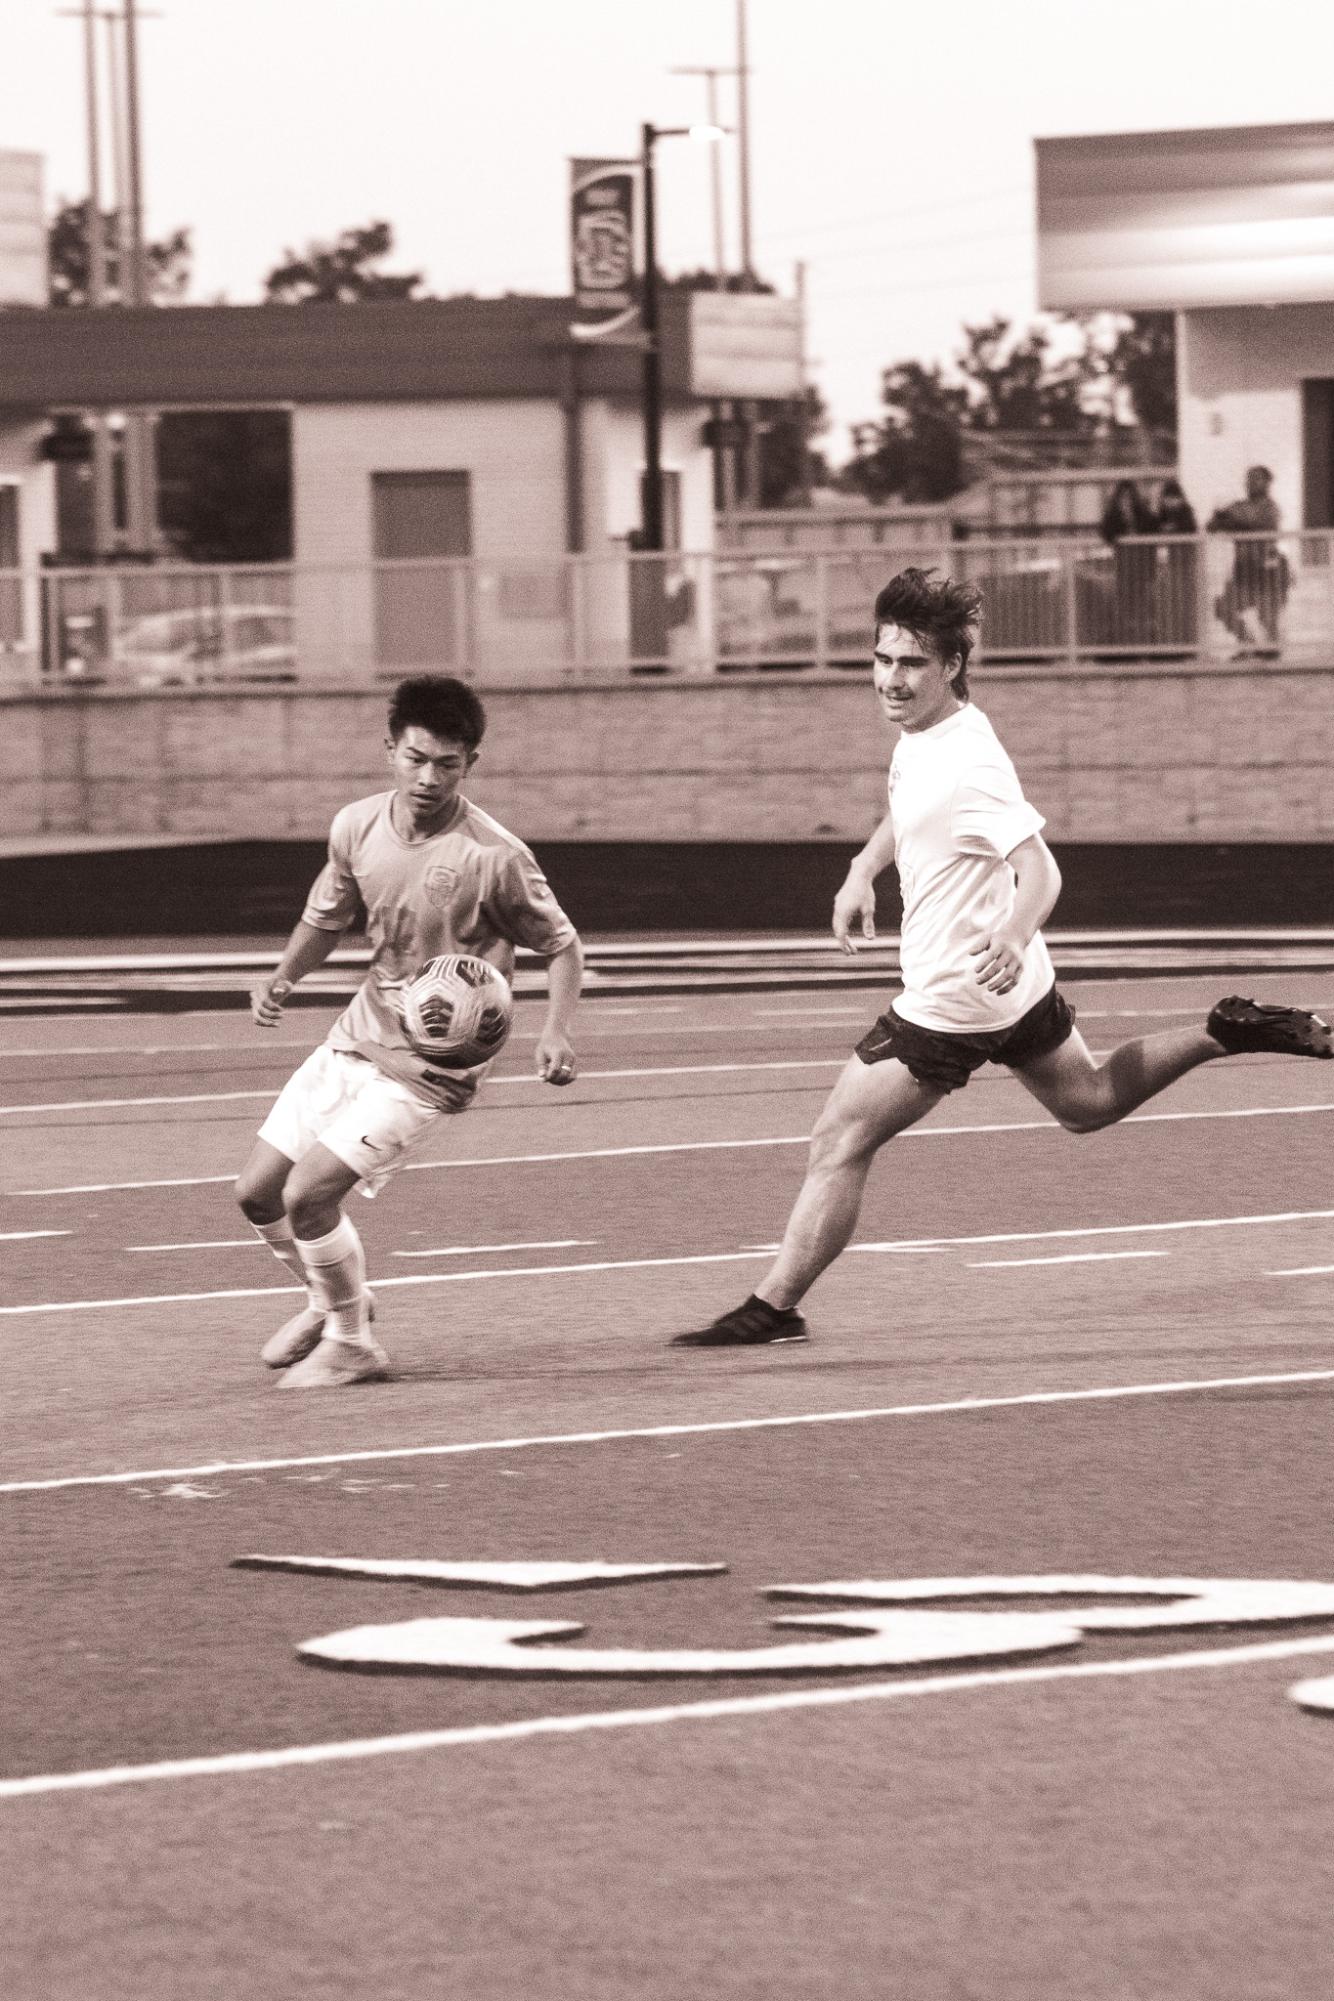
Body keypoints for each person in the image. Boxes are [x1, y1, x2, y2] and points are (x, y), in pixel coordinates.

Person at [671, 566, 1332, 1349]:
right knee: (1087, 1102)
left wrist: (1013, 933)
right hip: (1011, 990)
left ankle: (774, 1305)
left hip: (958, 994)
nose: (890, 679)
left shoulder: (969, 762)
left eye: (911, 664)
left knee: (838, 1140)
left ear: (952, 664)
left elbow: (1044, 870)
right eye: (881, 660)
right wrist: (860, 869)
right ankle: (1225, 1030)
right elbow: (906, 810)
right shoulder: (929, 733)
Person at [235, 674, 584, 1388]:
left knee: (309, 1195)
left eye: (447, 763)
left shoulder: (495, 855)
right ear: (390, 749)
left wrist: (556, 1031)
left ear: (471, 763)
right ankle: (332, 1295)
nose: (429, 777)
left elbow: (563, 945)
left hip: (432, 1067)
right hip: (357, 1034)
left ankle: (353, 1342)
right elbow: (326, 919)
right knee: (258, 1193)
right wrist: (283, 975)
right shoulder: (356, 825)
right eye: (415, 758)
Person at [1208, 465, 1289, 655]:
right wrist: (1226, 519)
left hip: (1267, 573)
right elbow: (1212, 525)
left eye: (1256, 478)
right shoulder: (1239, 506)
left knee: (1268, 618)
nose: (1250, 482)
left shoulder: (1271, 507)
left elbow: (1261, 525)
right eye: (1248, 478)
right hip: (1243, 571)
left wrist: (1234, 523)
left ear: (1267, 482)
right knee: (1223, 607)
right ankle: (1247, 643)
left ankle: (1271, 652)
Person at [1099, 479, 1157, 646]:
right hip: (1124, 569)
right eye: (1122, 498)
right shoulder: (1114, 516)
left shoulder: (1143, 514)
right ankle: (1126, 644)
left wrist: (1134, 519)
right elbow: (1107, 532)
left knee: (1144, 608)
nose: (1126, 501)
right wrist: (1122, 519)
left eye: (1129, 497)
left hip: (1143, 569)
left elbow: (1152, 526)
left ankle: (1145, 644)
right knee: (1125, 608)